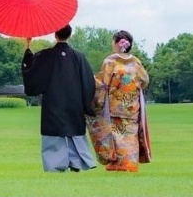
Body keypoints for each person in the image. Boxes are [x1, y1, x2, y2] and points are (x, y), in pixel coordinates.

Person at [21, 24, 97, 172]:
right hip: (75, 102)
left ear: (55, 35)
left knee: (54, 133)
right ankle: (76, 163)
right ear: (70, 35)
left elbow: (31, 70)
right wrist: (86, 104)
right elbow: (88, 82)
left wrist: (28, 46)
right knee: (74, 130)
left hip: (53, 101)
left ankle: (55, 165)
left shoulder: (45, 55)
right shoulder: (79, 57)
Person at [94, 30, 151, 172]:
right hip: (132, 106)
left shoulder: (110, 62)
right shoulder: (135, 62)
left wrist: (93, 82)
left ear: (116, 43)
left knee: (116, 136)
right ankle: (130, 164)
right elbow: (145, 80)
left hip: (115, 105)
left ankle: (118, 164)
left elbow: (102, 83)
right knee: (130, 135)